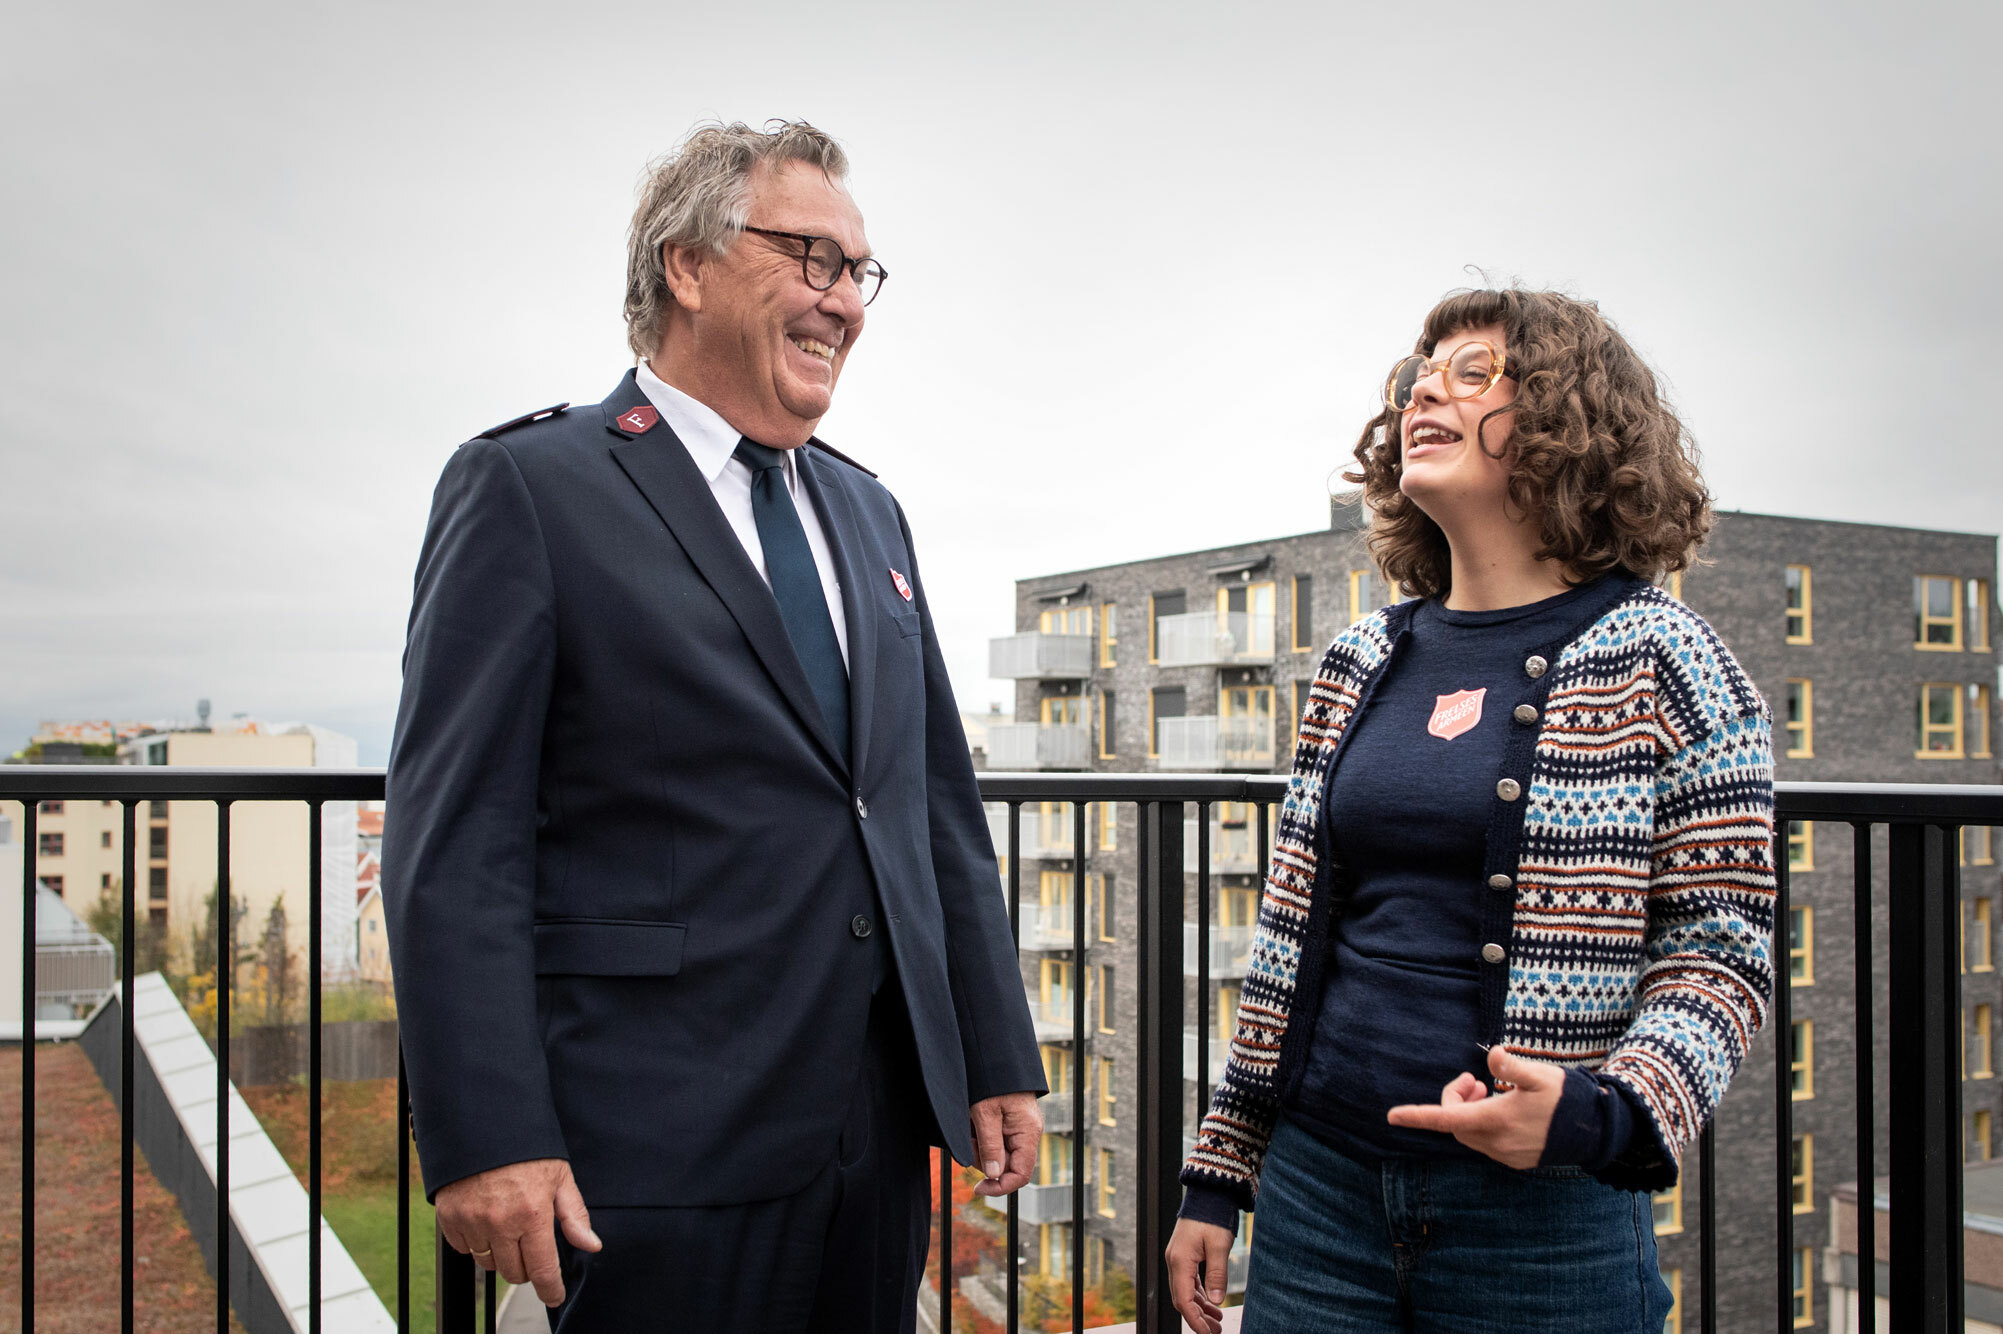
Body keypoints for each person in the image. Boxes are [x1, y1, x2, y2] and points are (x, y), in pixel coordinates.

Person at [384, 120, 1045, 1334]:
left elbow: (929, 806)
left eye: (858, 272)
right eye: (811, 257)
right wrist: (486, 1135)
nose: (844, 301)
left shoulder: (868, 509)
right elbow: (454, 842)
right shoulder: (530, 488)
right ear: (686, 267)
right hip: (655, 1145)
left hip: (877, 1134)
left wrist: (993, 1053)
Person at [1166, 288, 1776, 1333]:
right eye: (1417, 376)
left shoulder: (1669, 661)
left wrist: (1609, 1109)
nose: (1421, 393)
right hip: (1318, 1199)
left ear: (1565, 421)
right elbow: (1285, 943)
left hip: (1541, 1222)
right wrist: (1219, 1172)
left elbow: (1720, 950)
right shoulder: (1358, 662)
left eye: (1472, 371)